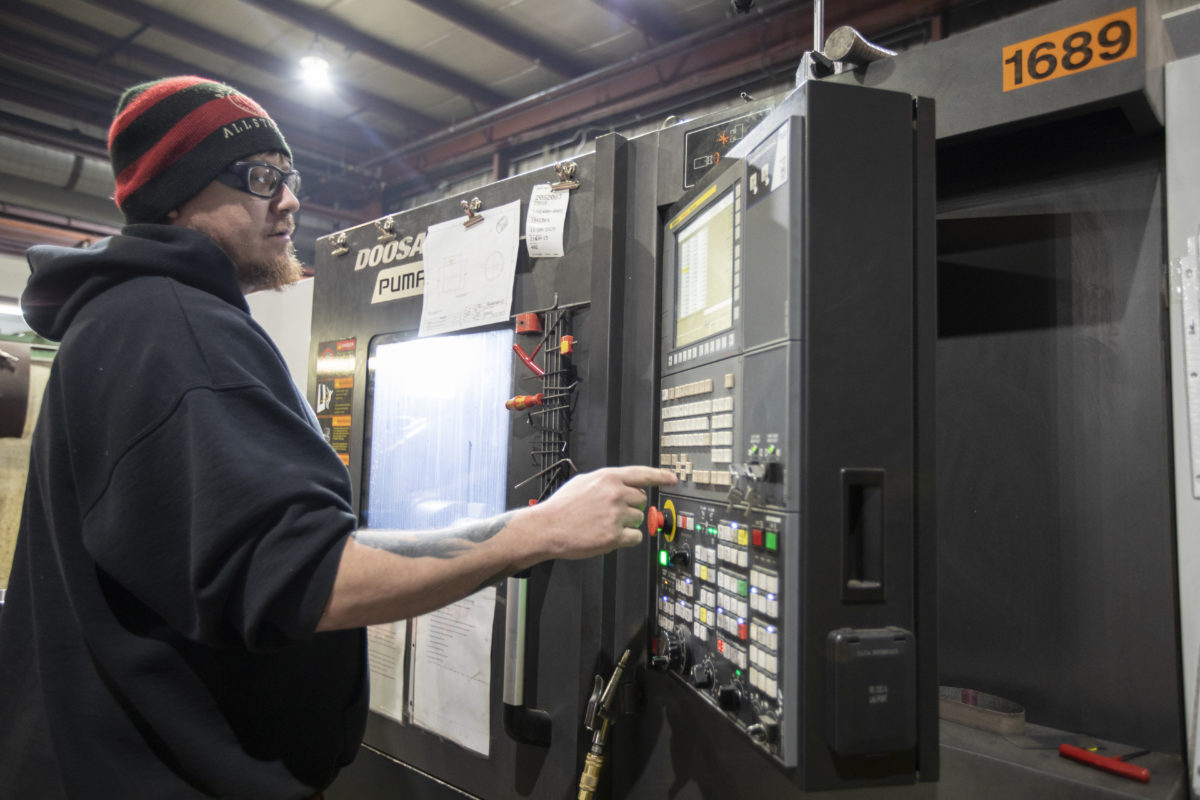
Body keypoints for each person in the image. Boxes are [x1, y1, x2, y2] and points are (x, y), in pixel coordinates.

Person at [0, 75, 675, 799]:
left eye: (289, 176)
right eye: (260, 178)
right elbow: (306, 576)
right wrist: (541, 529)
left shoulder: (122, 321)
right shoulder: (175, 330)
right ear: (178, 194)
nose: (288, 200)